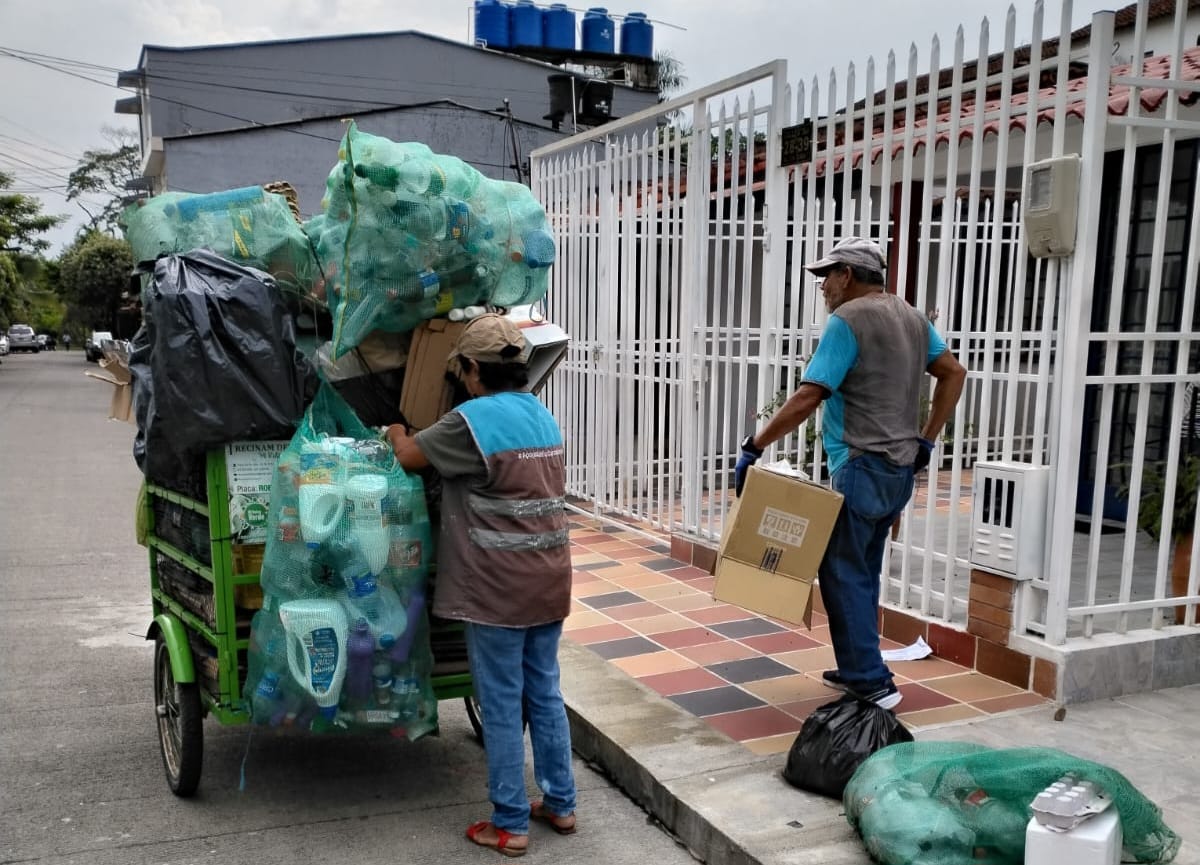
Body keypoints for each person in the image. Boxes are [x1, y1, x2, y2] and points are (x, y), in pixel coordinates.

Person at [734, 236, 966, 710]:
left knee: (841, 571)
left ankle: (871, 680)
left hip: (861, 463)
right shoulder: (913, 317)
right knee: (862, 569)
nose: (822, 288)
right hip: (900, 467)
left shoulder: (848, 320)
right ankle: (856, 662)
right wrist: (926, 438)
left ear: (848, 275)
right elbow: (954, 373)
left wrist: (754, 445)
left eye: (826, 277)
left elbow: (809, 395)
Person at [385, 313, 576, 858]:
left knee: (498, 699)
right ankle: (561, 805)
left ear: (472, 368)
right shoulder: (543, 414)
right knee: (544, 692)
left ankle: (511, 823)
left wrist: (395, 429)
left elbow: (408, 457)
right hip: (549, 578)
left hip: (496, 588)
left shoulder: (470, 421)